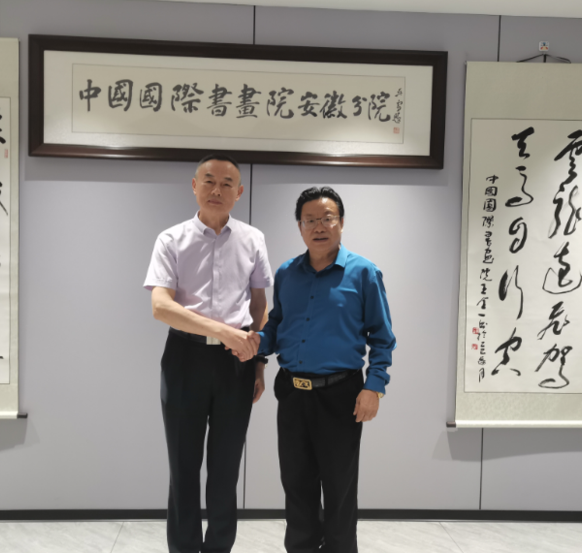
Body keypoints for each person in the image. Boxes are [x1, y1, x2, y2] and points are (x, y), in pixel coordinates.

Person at [144, 154, 273, 553]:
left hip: (237, 364)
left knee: (226, 467)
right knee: (183, 467)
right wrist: (223, 331)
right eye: (209, 180)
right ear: (194, 185)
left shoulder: (253, 239)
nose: (217, 189)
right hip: (185, 358)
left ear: (240, 191)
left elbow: (259, 306)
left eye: (227, 183)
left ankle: (219, 547)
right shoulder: (171, 239)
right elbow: (161, 307)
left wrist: (258, 363)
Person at [257, 186, 396, 553]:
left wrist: (374, 387)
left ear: (341, 222)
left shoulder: (364, 273)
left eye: (327, 218)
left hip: (341, 395)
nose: (319, 227)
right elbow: (277, 325)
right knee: (296, 486)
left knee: (339, 489)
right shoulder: (287, 273)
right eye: (310, 220)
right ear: (300, 226)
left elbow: (382, 337)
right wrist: (255, 344)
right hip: (292, 393)